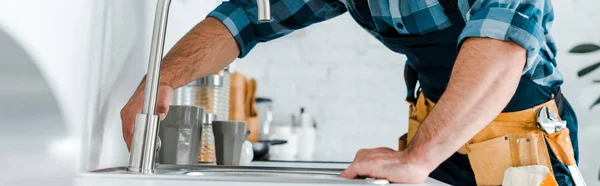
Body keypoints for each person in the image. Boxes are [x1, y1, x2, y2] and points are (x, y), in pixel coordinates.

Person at [120, 0, 579, 185]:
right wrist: (161, 79)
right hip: (441, 143)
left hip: (523, 147)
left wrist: (416, 158)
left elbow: (501, 50)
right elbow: (245, 16)